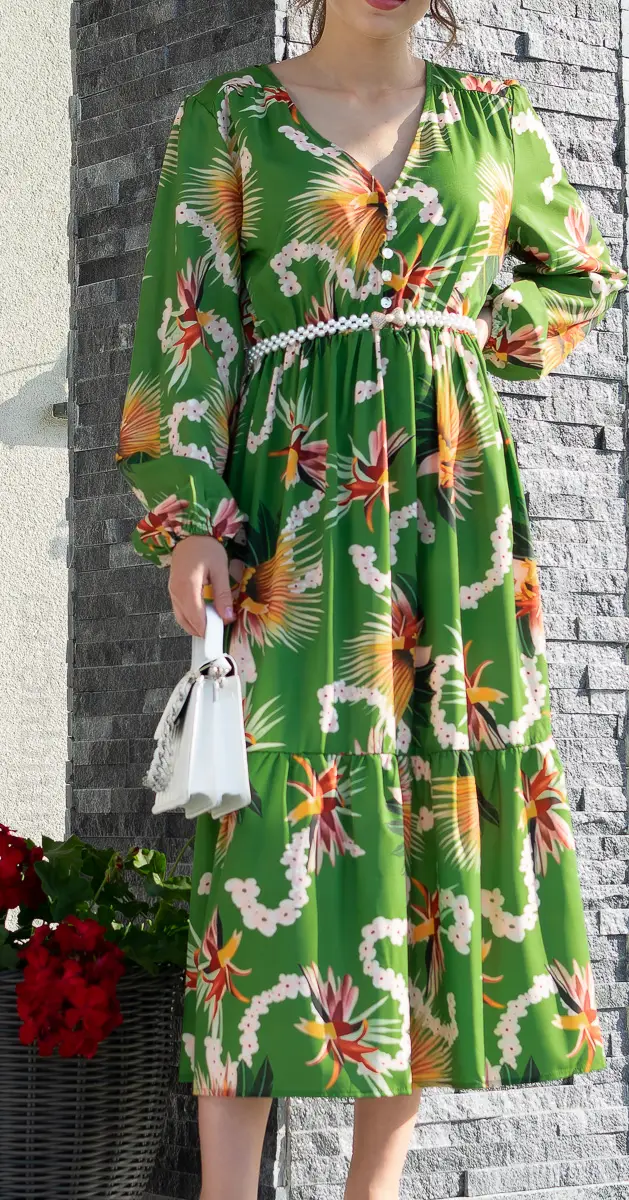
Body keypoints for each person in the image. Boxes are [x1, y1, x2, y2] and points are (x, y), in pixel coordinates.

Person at [115, 0, 628, 1196]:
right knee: (270, 826)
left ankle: (373, 1188)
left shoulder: (492, 115)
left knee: (423, 817)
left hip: (450, 521)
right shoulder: (233, 117)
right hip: (293, 516)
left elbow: (581, 275)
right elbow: (187, 324)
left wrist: (460, 334)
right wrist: (189, 519)